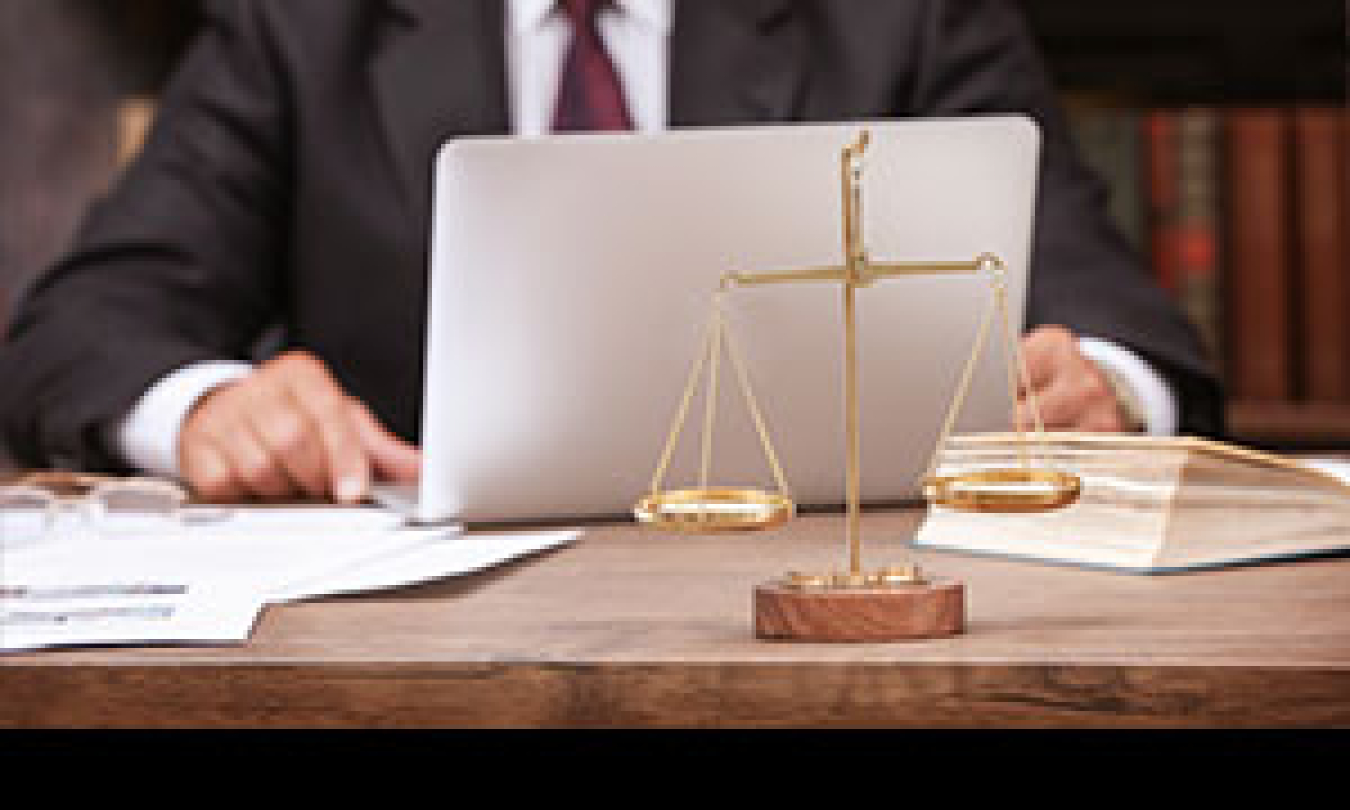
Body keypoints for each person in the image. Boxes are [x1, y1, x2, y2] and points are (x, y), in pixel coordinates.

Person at [0, 0, 1223, 504]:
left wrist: (1100, 387)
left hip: (829, 624)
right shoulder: (305, 23)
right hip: (421, 664)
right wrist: (210, 407)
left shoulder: (900, 17)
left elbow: (1132, 329)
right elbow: (83, 327)